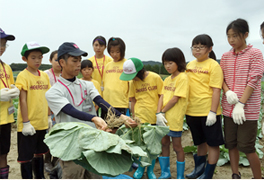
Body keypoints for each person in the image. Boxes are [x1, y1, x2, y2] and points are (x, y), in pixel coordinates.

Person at [45, 42, 137, 179]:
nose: (79, 64)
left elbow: (100, 101)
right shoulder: (54, 92)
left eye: (80, 60)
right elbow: (69, 110)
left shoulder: (87, 85)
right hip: (71, 148)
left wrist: (121, 117)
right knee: (72, 176)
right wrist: (93, 118)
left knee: (95, 176)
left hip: (93, 145)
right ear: (62, 62)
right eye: (75, 60)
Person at [220, 18, 264, 179]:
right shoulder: (225, 57)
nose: (231, 40)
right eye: (228, 36)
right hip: (228, 108)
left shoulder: (255, 54)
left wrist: (241, 103)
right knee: (231, 144)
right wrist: (227, 92)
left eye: (235, 36)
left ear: (245, 35)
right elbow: (221, 78)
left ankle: (257, 177)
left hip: (247, 110)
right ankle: (235, 174)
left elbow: (254, 79)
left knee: (247, 146)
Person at [185, 34, 224, 179]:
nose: (197, 50)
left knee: (213, 144)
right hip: (192, 111)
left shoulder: (213, 65)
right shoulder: (189, 65)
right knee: (200, 142)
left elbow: (216, 90)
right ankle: (199, 170)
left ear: (209, 49)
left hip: (208, 111)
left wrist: (213, 112)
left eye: (201, 47)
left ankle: (208, 174)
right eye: (195, 47)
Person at [119, 57, 163, 179]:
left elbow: (161, 96)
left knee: (152, 147)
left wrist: (159, 113)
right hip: (140, 118)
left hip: (153, 117)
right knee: (140, 146)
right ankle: (140, 168)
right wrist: (133, 116)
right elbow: (133, 100)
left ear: (140, 71)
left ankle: (150, 170)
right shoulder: (133, 82)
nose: (133, 78)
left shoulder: (155, 77)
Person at [15, 41, 52, 179]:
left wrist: (48, 117)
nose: (37, 60)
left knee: (39, 153)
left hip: (41, 122)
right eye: (33, 57)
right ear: (25, 59)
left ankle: (40, 176)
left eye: (40, 57)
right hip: (28, 124)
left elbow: (48, 97)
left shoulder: (44, 75)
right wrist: (25, 122)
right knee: (26, 156)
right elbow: (22, 100)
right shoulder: (23, 76)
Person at [156, 48, 188, 179]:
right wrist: (158, 113)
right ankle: (165, 172)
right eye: (165, 63)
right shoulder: (167, 79)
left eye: (170, 63)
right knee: (164, 143)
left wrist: (162, 112)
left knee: (177, 146)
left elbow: (175, 98)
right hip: (163, 117)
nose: (167, 66)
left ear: (178, 62)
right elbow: (162, 96)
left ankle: (180, 175)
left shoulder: (183, 78)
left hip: (174, 118)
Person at [0, 28, 19, 179]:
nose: (2, 47)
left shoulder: (6, 67)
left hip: (5, 118)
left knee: (3, 152)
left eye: (4, 44)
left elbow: (11, 86)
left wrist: (14, 91)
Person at [43, 50, 61, 178]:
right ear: (50, 61)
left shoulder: (65, 75)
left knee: (60, 137)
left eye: (61, 60)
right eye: (56, 60)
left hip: (61, 111)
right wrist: (49, 113)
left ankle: (56, 161)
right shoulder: (45, 75)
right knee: (49, 137)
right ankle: (47, 160)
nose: (58, 63)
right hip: (49, 111)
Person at [102, 37, 129, 120]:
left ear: (122, 51)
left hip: (121, 103)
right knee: (105, 128)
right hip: (106, 102)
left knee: (118, 129)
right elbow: (104, 83)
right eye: (112, 52)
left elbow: (131, 84)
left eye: (117, 52)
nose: (114, 54)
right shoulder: (108, 65)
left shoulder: (127, 64)